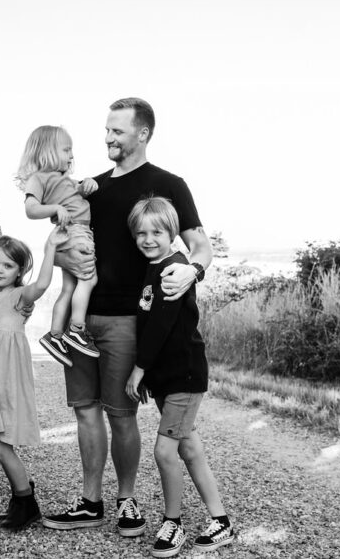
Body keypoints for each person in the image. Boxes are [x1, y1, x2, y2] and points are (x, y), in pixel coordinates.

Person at [42, 98, 213, 539]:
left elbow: (201, 247)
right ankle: (90, 502)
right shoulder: (89, 188)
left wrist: (191, 271)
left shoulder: (168, 184)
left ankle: (127, 501)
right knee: (84, 412)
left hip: (127, 321)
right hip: (81, 320)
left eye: (117, 131)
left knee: (121, 414)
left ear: (143, 134)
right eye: (106, 130)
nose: (108, 138)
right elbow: (63, 235)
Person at [125, 197, 233, 556]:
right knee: (188, 447)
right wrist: (151, 376)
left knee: (164, 451)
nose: (148, 238)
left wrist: (138, 372)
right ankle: (221, 521)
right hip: (166, 378)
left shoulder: (173, 269)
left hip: (184, 376)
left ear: (172, 231)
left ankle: (174, 523)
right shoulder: (151, 267)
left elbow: (160, 326)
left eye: (156, 231)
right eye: (140, 232)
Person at [0, 227, 67, 530]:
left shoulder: (17, 297)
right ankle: (23, 499)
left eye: (8, 265)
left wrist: (49, 246)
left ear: (20, 270)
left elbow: (43, 283)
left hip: (9, 381)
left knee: (1, 447)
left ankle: (26, 502)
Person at [16, 125, 100, 366]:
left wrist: (86, 186)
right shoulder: (39, 178)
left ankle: (55, 336)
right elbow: (31, 209)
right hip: (75, 232)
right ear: (46, 152)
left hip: (70, 235)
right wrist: (55, 209)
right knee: (89, 279)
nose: (71, 155)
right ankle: (76, 329)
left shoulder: (64, 180)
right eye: (66, 149)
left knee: (69, 289)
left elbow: (78, 192)